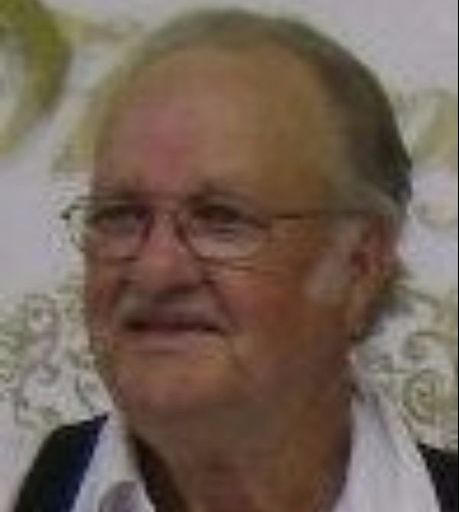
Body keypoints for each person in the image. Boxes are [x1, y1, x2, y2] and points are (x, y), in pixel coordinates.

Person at [12, 8, 457, 512]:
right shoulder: (48, 486)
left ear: (358, 266)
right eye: (121, 216)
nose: (156, 271)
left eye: (220, 219)